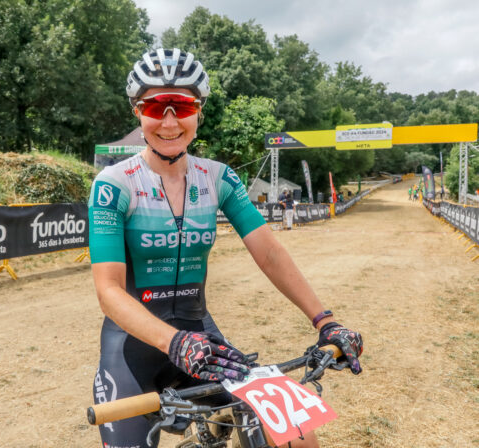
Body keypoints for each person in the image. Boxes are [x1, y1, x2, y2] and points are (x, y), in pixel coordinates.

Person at [89, 48, 363, 448]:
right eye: (156, 107)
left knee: (297, 434)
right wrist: (173, 342)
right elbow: (109, 291)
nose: (169, 122)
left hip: (201, 340)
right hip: (132, 350)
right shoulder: (114, 183)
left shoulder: (218, 178)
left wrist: (325, 322)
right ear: (138, 112)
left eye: (183, 107)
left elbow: (270, 254)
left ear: (198, 112)